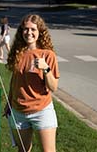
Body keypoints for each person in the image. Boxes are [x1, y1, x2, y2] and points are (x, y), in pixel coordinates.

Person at [4, 14, 59, 152]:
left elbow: (53, 87)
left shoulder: (48, 55)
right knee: (23, 150)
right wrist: (9, 102)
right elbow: (15, 80)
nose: (29, 33)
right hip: (18, 111)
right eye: (26, 29)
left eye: (33, 29)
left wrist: (46, 69)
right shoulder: (18, 53)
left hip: (42, 110)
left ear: (40, 32)